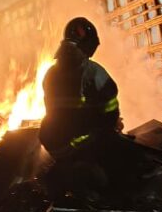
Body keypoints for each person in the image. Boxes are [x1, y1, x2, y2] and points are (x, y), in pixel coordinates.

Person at [39, 17, 121, 157]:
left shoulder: (50, 73)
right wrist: (114, 124)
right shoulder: (93, 72)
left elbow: (56, 112)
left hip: (54, 145)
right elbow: (110, 114)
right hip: (79, 144)